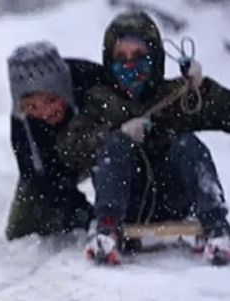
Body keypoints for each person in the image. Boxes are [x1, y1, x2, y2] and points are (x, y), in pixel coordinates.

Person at [58, 12, 230, 266]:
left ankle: (217, 226)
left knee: (187, 143)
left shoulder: (174, 95)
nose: (130, 66)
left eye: (139, 57)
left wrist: (202, 88)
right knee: (116, 146)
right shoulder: (99, 102)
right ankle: (106, 231)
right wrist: (117, 135)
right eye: (121, 58)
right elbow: (70, 149)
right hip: (126, 202)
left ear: (155, 57)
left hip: (172, 197)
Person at [5, 41, 105, 240]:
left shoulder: (94, 83)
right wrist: (82, 214)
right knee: (20, 229)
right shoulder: (22, 124)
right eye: (32, 107)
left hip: (103, 149)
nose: (44, 112)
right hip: (59, 162)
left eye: (51, 100)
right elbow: (37, 177)